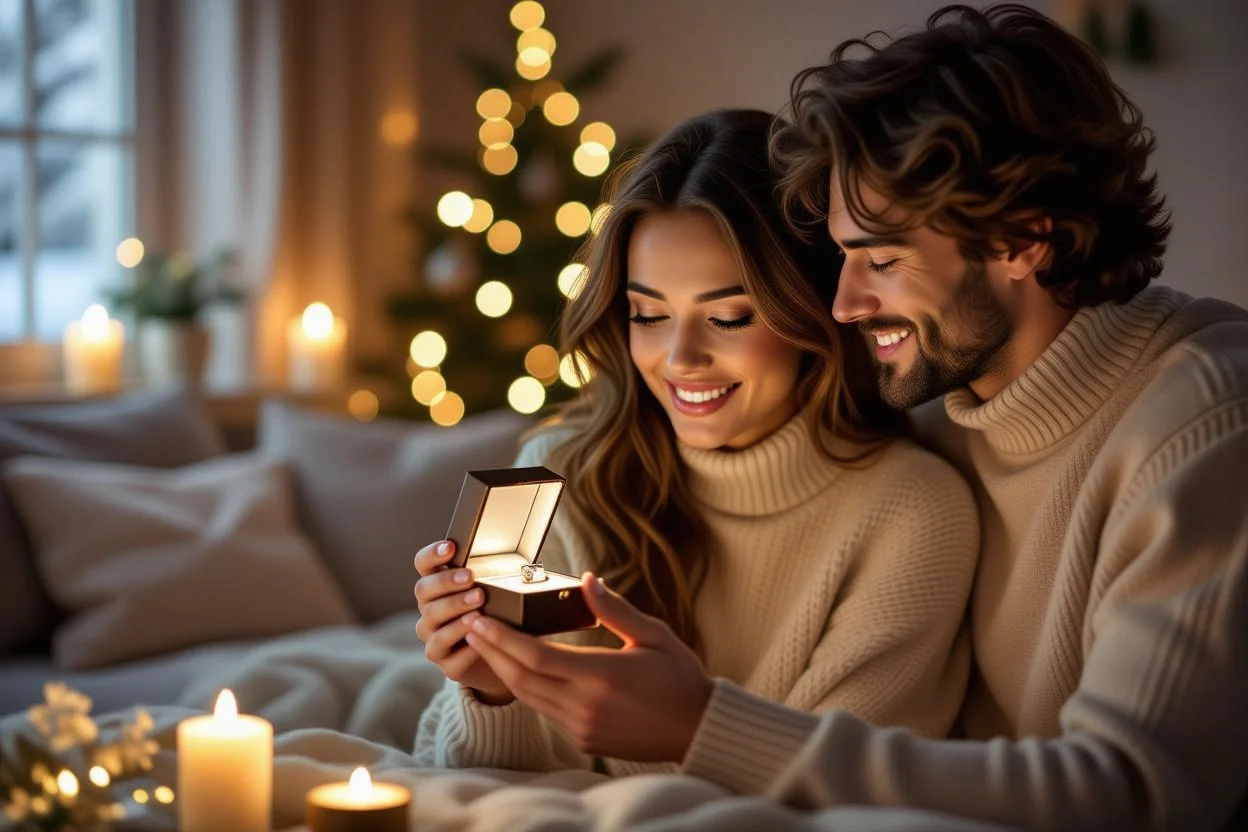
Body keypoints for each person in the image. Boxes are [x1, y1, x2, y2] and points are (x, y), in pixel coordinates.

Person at [449, 6, 1248, 830]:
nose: (843, 303)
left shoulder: (1206, 423)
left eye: (882, 259)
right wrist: (490, 677)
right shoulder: (950, 413)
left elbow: (1139, 799)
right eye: (841, 256)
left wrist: (700, 726)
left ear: (1026, 238)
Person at [411, 108, 981, 775]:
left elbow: (848, 787)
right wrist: (489, 689)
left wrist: (694, 726)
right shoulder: (561, 468)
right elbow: (475, 778)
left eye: (729, 317)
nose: (680, 358)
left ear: (810, 313)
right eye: (647, 314)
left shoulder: (914, 512)